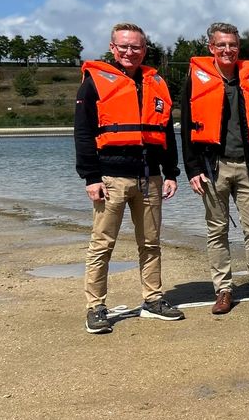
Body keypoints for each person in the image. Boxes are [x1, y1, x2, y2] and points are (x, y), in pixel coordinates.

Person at [74, 22, 185, 333]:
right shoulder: (94, 82)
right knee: (102, 244)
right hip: (110, 178)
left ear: (144, 49)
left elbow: (165, 132)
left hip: (150, 177)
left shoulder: (157, 82)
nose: (129, 52)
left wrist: (171, 172)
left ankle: (153, 300)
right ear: (113, 48)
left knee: (150, 243)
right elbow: (83, 134)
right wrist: (91, 177)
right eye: (123, 46)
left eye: (136, 46)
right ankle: (95, 307)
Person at [180, 22, 249, 314]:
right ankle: (223, 290)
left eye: (233, 45)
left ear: (239, 48)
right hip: (214, 168)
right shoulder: (195, 80)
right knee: (217, 231)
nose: (228, 50)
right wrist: (192, 169)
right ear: (211, 48)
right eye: (221, 45)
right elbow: (187, 128)